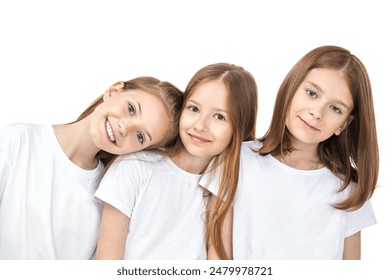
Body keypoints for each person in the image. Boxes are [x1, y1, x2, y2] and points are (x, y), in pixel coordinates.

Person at [205, 45, 379, 260]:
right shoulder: (236, 160)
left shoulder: (347, 189)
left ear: (343, 124)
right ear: (291, 88)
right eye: (312, 93)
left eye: (336, 108)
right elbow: (218, 258)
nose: (316, 112)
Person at [0, 76, 184, 259]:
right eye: (131, 109)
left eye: (140, 137)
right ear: (114, 91)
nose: (125, 127)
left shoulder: (109, 197)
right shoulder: (19, 141)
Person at [94, 63, 258, 259]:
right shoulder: (135, 167)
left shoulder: (225, 188)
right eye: (194, 108)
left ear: (239, 128)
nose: (200, 125)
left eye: (219, 117)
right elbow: (107, 260)